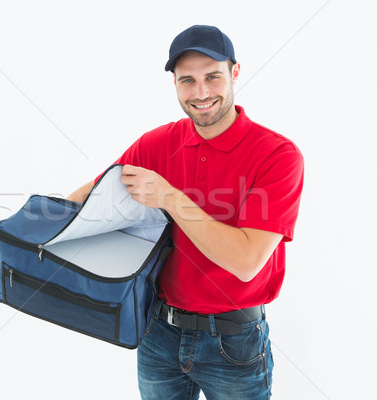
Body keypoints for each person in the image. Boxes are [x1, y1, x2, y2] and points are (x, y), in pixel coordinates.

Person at [68, 24, 304, 400]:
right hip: (157, 333)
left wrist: (170, 197)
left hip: (234, 342)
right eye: (187, 81)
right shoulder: (159, 143)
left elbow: (246, 262)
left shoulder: (277, 155)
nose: (201, 93)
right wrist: (44, 219)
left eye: (212, 77)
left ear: (235, 73)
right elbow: (92, 196)